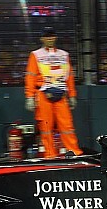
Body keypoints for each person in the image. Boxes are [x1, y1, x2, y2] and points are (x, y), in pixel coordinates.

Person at [25, 27, 83, 158]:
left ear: (55, 37)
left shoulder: (64, 55)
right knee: (46, 127)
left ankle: (74, 152)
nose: (49, 38)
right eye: (46, 36)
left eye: (51, 35)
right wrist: (29, 96)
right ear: (42, 38)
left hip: (61, 95)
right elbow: (30, 76)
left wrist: (72, 95)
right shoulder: (35, 55)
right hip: (43, 94)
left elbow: (69, 76)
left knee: (67, 126)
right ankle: (50, 155)